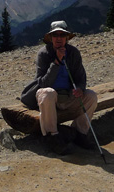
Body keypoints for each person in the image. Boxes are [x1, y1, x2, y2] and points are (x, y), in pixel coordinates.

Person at [21, 20, 98, 154]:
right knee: (48, 92)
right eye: (55, 35)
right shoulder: (44, 54)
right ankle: (52, 137)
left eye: (62, 35)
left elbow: (80, 77)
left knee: (91, 96)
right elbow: (43, 83)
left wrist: (80, 88)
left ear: (67, 38)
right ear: (50, 38)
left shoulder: (73, 53)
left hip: (68, 96)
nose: (59, 38)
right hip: (49, 98)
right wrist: (56, 61)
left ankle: (80, 133)